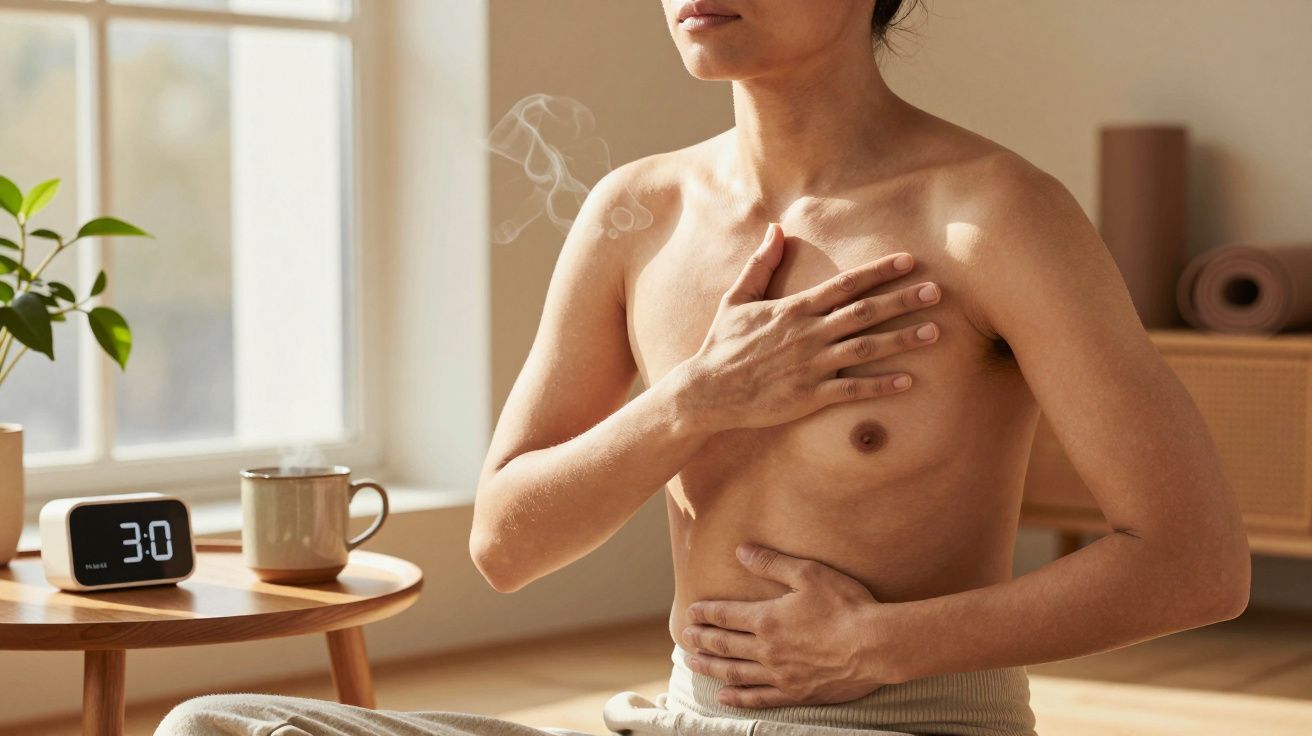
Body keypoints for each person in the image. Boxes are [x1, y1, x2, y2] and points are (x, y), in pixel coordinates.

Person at [158, 1, 1250, 734]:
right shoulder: (636, 212)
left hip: (900, 723)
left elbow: (1195, 562)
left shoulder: (990, 216)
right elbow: (503, 543)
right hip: (677, 717)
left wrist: (875, 642)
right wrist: (695, 398)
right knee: (217, 726)